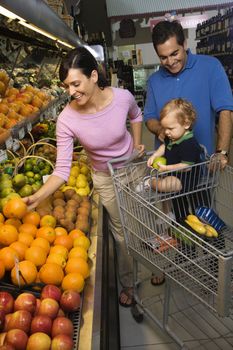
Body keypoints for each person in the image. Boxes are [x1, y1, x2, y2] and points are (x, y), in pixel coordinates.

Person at [23, 46, 145, 307]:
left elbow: (136, 115)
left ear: (93, 76)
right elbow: (62, 170)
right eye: (66, 86)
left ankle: (154, 265)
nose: (71, 92)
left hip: (134, 168)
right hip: (104, 178)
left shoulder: (122, 97)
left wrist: (137, 144)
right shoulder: (67, 118)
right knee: (122, 232)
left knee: (142, 222)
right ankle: (129, 283)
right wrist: (37, 197)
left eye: (76, 83)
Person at [144, 20, 233, 169]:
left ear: (184, 44)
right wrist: (161, 129)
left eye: (174, 53)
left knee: (202, 192)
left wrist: (222, 152)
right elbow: (149, 118)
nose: (170, 62)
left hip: (203, 165)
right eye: (163, 57)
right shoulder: (154, 81)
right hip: (167, 167)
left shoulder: (211, 67)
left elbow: (226, 111)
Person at [147, 98, 203, 198]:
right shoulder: (173, 136)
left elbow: (186, 166)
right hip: (172, 173)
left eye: (170, 128)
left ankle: (149, 182)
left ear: (186, 124)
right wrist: (155, 155)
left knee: (170, 185)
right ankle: (169, 213)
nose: (166, 132)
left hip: (187, 178)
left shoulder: (189, 144)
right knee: (168, 195)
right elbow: (165, 146)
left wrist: (166, 169)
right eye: (164, 128)